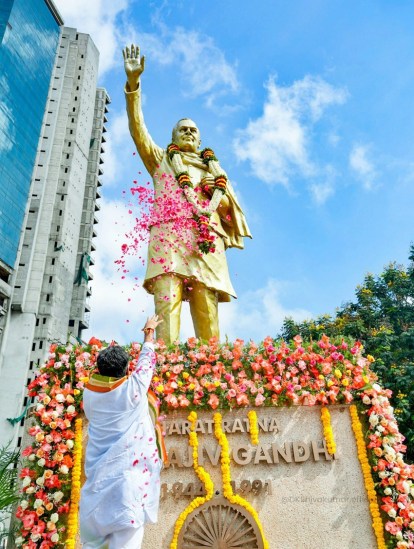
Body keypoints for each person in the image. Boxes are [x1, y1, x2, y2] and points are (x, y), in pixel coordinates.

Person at [123, 44, 252, 344]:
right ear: (173, 138)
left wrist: (217, 204)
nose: (189, 133)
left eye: (194, 130)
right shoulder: (162, 160)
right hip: (169, 237)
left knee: (207, 304)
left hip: (206, 239)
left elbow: (230, 209)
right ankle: (163, 369)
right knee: (167, 302)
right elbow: (137, 128)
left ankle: (212, 372)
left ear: (200, 138)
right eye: (183, 130)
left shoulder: (215, 170)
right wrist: (133, 85)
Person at [79, 315, 163, 549]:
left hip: (95, 492)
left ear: (99, 369)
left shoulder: (90, 396)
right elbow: (147, 361)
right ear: (126, 369)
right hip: (126, 492)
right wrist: (149, 331)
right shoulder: (133, 391)